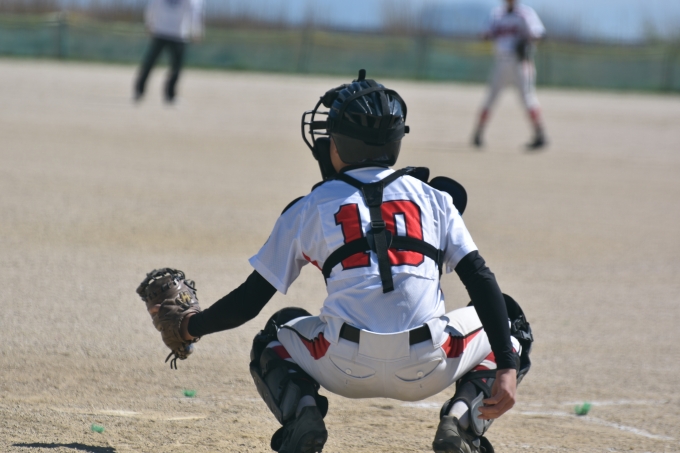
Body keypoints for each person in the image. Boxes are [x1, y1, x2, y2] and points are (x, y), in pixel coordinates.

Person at [172, 70, 533, 453]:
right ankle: (462, 422)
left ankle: (303, 414)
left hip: (342, 364)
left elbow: (249, 302)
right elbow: (480, 280)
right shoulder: (434, 198)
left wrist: (189, 327)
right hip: (429, 365)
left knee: (277, 331)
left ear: (338, 143)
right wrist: (506, 366)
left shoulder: (309, 207)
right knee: (508, 318)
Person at [472, 0, 547, 150]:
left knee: (528, 98)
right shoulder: (497, 14)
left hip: (521, 62)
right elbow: (485, 33)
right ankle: (478, 133)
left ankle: (540, 135)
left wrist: (526, 42)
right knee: (491, 97)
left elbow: (539, 33)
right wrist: (487, 36)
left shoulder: (525, 13)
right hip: (501, 62)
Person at [133, 0, 204, 103]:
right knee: (150, 63)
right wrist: (149, 23)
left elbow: (194, 11)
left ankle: (170, 95)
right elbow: (152, 7)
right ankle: (139, 91)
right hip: (161, 31)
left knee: (175, 67)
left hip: (178, 34)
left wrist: (196, 31)